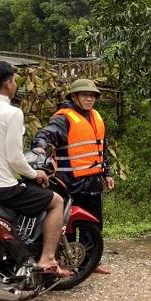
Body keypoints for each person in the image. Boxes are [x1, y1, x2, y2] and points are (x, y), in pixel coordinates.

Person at [0, 61, 73, 277]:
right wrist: (34, 173)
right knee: (56, 201)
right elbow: (15, 159)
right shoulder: (12, 113)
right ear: (9, 84)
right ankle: (47, 259)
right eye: (14, 81)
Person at [31, 78, 114, 274]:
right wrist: (41, 147)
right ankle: (61, 261)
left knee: (93, 223)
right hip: (69, 181)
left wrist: (106, 173)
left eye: (93, 96)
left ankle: (90, 262)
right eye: (85, 95)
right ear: (74, 97)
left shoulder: (96, 117)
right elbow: (45, 135)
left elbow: (100, 148)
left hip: (92, 181)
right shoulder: (64, 119)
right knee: (65, 224)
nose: (89, 99)